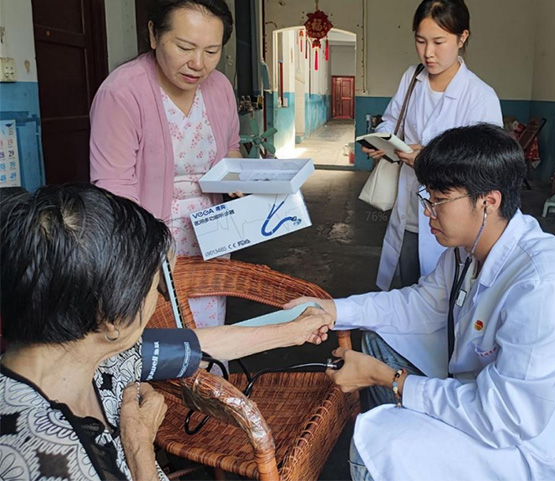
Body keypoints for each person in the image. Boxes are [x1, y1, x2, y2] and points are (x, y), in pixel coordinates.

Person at [289, 124, 555, 481]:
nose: (427, 211)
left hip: (549, 438)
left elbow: (505, 418)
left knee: (377, 447)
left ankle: (406, 448)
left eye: (439, 200)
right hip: (499, 392)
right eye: (428, 197)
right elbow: (420, 305)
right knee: (378, 342)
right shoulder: (469, 250)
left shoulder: (546, 289)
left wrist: (390, 379)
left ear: (488, 201)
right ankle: (411, 439)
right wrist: (334, 310)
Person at [0, 184, 333, 481]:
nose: (159, 296)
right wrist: (140, 449)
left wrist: (292, 331)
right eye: (153, 285)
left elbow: (192, 347)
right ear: (111, 317)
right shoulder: (43, 459)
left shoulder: (87, 350)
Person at [90, 0, 241, 329]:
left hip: (210, 239)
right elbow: (113, 190)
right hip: (146, 244)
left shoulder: (219, 88)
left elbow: (231, 149)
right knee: (160, 341)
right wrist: (150, 258)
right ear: (153, 34)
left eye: (212, 51)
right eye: (185, 48)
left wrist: (244, 179)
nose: (199, 64)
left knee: (206, 336)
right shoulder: (122, 93)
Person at [363, 0, 503, 291]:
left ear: (462, 37)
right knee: (409, 289)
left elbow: (489, 167)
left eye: (439, 42)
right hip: (410, 213)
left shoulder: (480, 97)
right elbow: (392, 119)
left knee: (447, 297)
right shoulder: (411, 78)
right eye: (420, 40)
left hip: (456, 220)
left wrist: (430, 159)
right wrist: (383, 141)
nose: (428, 53)